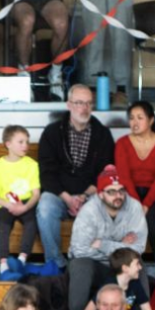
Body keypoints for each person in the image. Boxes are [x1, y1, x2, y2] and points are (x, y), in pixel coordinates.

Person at [38, 84, 115, 272]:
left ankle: (91, 264)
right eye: (79, 103)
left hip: (90, 193)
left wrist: (84, 196)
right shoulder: (52, 132)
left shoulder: (102, 134)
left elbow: (106, 174)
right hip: (59, 194)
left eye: (88, 103)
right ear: (69, 105)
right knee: (45, 207)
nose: (84, 108)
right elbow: (47, 173)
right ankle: (56, 265)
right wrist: (67, 198)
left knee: (106, 205)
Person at [65, 166, 148, 310]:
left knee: (138, 264)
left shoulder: (134, 207)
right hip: (93, 264)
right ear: (101, 193)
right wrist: (121, 246)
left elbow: (138, 249)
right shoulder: (89, 211)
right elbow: (79, 250)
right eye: (111, 191)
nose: (118, 196)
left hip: (119, 265)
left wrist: (103, 245)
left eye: (121, 190)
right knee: (80, 264)